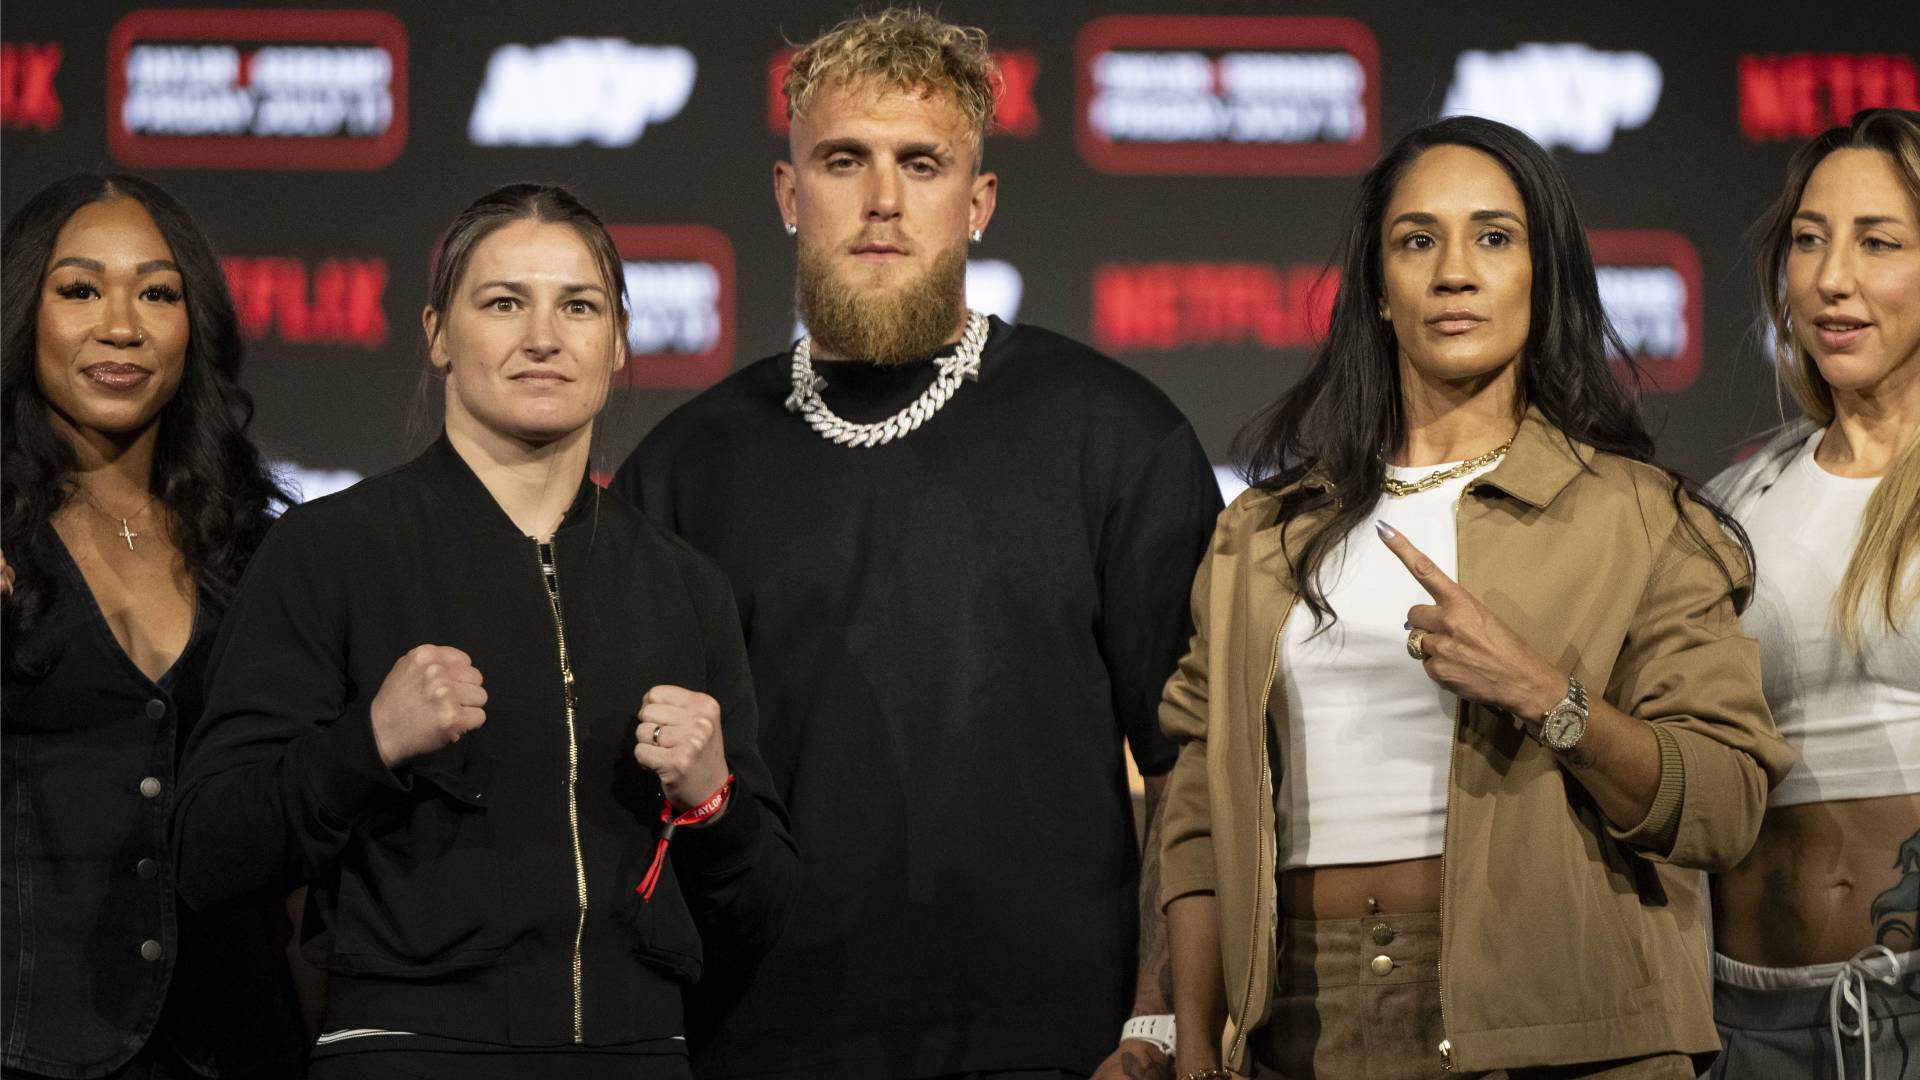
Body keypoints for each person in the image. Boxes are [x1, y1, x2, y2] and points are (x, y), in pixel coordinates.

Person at [612, 9, 1221, 1079]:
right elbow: (638, 813)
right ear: (790, 194)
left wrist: (1159, 1022)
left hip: (1060, 1049)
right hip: (760, 1045)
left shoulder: (1117, 435)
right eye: (845, 159)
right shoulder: (683, 465)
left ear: (977, 202)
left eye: (922, 162)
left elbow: (1194, 775)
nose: (884, 199)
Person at [1157, 115, 1793, 1080]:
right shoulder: (1262, 532)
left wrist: (1549, 697)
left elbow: (1723, 804)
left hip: (1569, 1026)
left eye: (1494, 238)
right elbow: (1200, 812)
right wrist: (1196, 1043)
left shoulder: (1640, 517)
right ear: (1378, 289)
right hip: (1301, 1026)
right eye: (1418, 240)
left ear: (1546, 278)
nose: (1454, 271)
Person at [169, 184, 799, 1080]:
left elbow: (764, 910)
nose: (543, 337)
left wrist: (713, 801)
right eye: (503, 302)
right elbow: (207, 851)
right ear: (437, 333)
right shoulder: (330, 551)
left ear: (617, 341)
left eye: (577, 306)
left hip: (637, 1053)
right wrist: (368, 744)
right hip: (408, 1051)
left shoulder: (685, 586)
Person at [1, 173, 306, 1078]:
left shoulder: (262, 550)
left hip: (237, 1043)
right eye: (81, 289)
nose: (122, 326)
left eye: (158, 293)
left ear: (194, 323)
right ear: (26, 310)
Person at [1706, 107, 1920, 1080]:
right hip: (1751, 1024)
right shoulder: (1731, 506)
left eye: (1878, 242)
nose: (1832, 278)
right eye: (1808, 240)